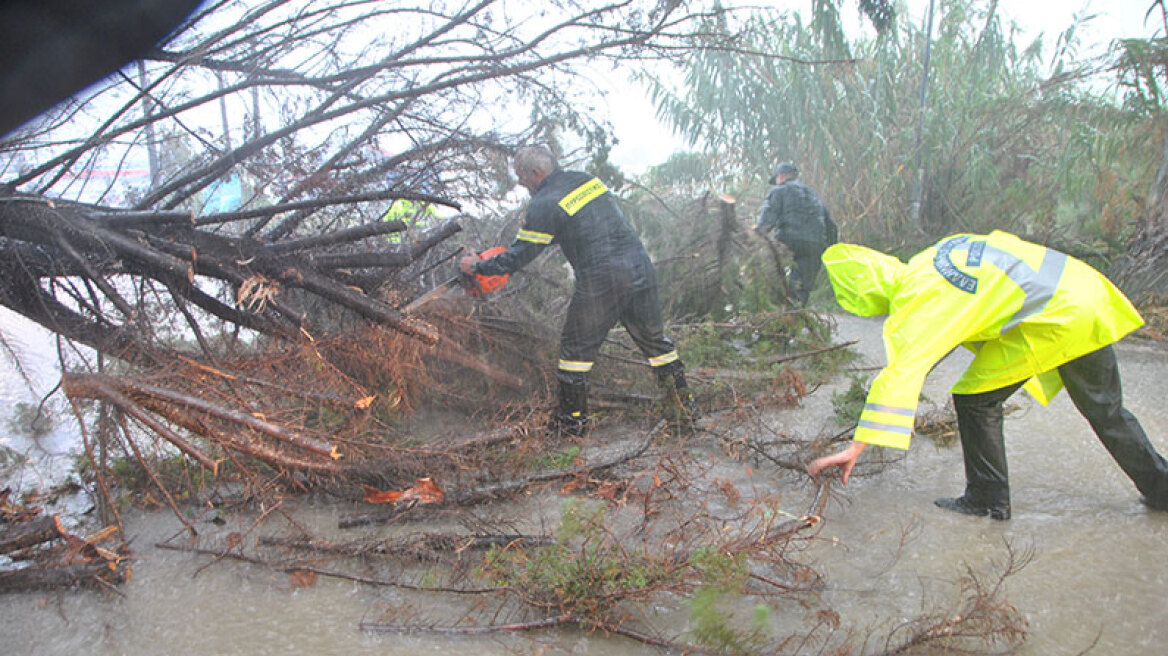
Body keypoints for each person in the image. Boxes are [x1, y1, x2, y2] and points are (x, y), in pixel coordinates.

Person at [806, 230, 1168, 519]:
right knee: (1108, 411)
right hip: (1084, 292)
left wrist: (857, 446)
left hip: (1054, 316)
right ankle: (1162, 490)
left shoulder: (915, 297)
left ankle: (987, 499)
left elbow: (904, 370)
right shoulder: (940, 251)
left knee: (975, 398)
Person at [460, 145, 697, 436]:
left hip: (603, 279)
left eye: (522, 176)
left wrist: (478, 266)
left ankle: (571, 424)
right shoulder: (586, 181)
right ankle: (684, 411)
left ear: (536, 173)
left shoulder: (545, 202)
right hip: (639, 268)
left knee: (575, 352)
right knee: (657, 345)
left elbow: (522, 254)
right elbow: (581, 225)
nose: (521, 183)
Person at [753, 162, 837, 306]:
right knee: (801, 287)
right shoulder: (813, 194)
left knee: (772, 273)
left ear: (780, 177)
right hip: (815, 244)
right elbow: (830, 226)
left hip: (788, 240)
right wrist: (832, 247)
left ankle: (773, 306)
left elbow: (767, 221)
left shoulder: (779, 191)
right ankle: (795, 312)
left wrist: (753, 239)